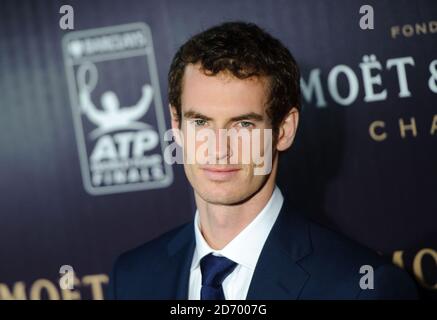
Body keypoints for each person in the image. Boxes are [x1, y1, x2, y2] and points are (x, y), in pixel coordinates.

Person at [107, 21, 418, 300]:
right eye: (200, 122)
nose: (218, 149)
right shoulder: (133, 278)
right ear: (176, 125)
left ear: (284, 130)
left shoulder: (361, 288)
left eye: (243, 125)